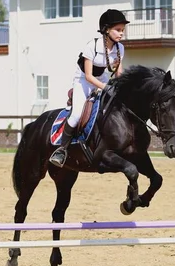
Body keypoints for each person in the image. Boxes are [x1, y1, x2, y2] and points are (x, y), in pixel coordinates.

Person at [49, 9, 129, 168]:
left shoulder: (120, 48)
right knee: (77, 114)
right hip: (83, 80)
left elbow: (119, 73)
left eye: (122, 30)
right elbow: (89, 77)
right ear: (106, 30)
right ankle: (61, 150)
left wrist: (122, 88)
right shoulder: (92, 46)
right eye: (118, 30)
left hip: (102, 78)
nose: (121, 34)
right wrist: (106, 88)